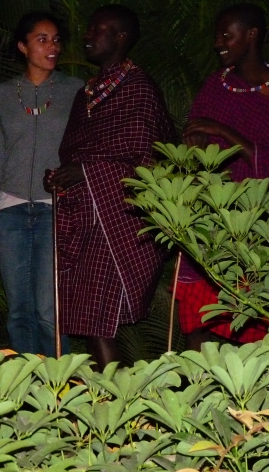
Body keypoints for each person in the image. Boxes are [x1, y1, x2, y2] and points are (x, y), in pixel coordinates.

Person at [43, 5, 174, 370]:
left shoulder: (139, 88)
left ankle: (118, 396)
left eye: (97, 30)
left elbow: (148, 157)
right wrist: (62, 176)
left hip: (119, 217)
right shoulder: (87, 92)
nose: (87, 36)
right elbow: (73, 151)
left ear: (120, 36)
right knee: (90, 319)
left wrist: (85, 171)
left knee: (98, 318)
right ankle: (113, 395)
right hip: (86, 214)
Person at [177, 3, 269, 350]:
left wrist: (223, 131)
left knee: (252, 324)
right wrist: (196, 145)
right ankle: (199, 385)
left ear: (251, 35)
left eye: (226, 35)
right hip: (210, 213)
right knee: (196, 322)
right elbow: (195, 141)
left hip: (253, 220)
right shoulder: (216, 85)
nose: (218, 43)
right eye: (217, 35)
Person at [0, 12, 82, 357]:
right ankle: (25, 383)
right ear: (23, 47)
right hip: (9, 210)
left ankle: (59, 381)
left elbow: (86, 148)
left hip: (53, 209)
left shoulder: (75, 90)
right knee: (19, 311)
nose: (52, 46)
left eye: (55, 39)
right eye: (42, 39)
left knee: (47, 310)